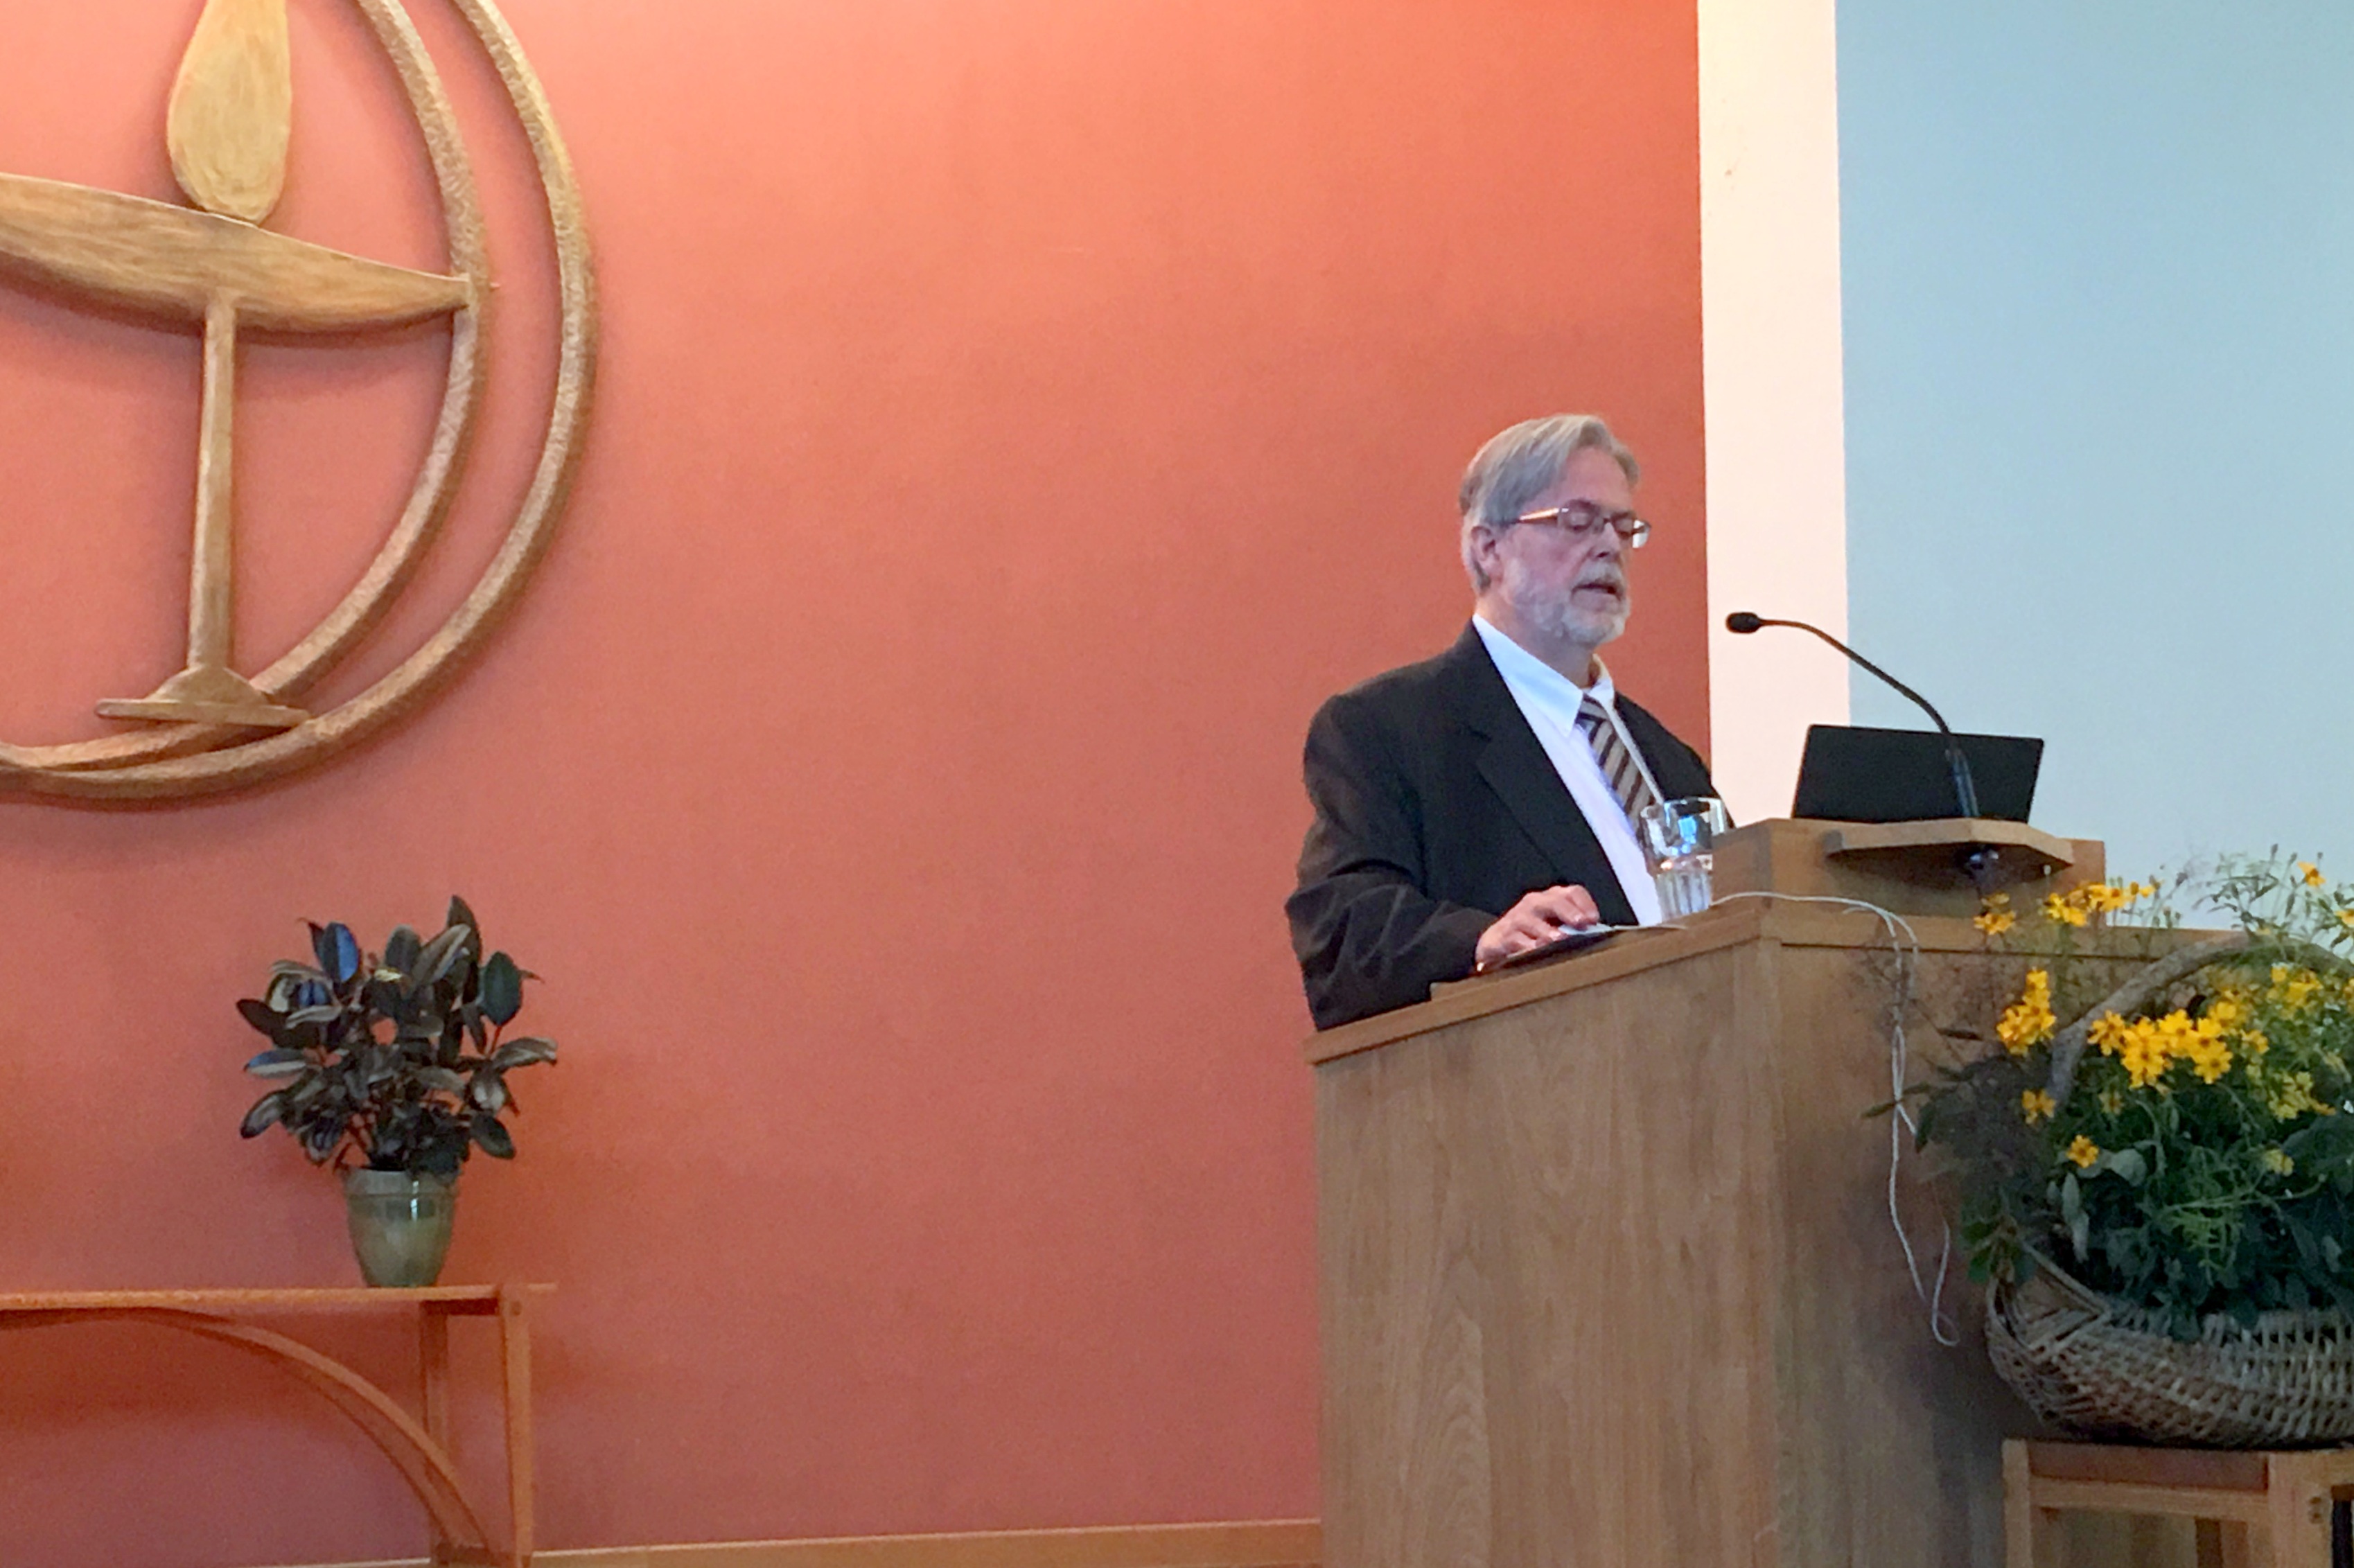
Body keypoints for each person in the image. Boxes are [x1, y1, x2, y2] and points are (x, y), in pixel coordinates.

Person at [1287, 414, 1716, 1029]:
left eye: (1623, 526)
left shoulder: (1667, 758)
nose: (1609, 546)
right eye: (1576, 521)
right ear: (1488, 547)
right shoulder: (1389, 729)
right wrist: (1481, 940)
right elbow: (1343, 934)